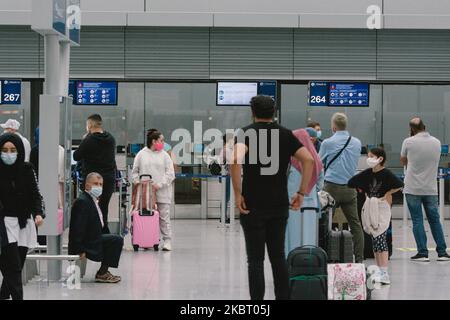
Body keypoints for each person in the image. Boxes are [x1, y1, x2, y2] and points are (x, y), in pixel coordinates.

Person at [230, 95, 315, 300]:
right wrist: (301, 193)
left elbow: (235, 159)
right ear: (274, 112)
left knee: (256, 260)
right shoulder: (286, 134)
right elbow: (309, 160)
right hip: (278, 205)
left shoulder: (245, 133)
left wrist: (238, 193)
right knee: (278, 257)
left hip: (252, 205)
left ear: (253, 112)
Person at [348, 148, 403, 284]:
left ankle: (384, 273)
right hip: (370, 206)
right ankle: (379, 271)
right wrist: (364, 190)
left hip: (382, 207)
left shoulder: (387, 173)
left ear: (380, 159)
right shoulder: (367, 173)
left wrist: (387, 193)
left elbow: (400, 185)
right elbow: (352, 182)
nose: (368, 158)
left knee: (380, 238)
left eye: (372, 156)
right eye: (368, 156)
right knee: (375, 239)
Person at [0, 133, 45, 300]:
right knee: (13, 266)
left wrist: (38, 213)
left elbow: (36, 194)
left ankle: (4, 294)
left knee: (17, 263)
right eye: (4, 150)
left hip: (24, 224)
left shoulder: (27, 169)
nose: (8, 153)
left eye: (12, 150)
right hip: (4, 225)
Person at [400, 118, 450, 262]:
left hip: (412, 187)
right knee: (435, 220)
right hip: (430, 188)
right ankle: (442, 253)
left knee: (417, 220)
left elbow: (403, 161)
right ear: (425, 126)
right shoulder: (436, 142)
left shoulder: (408, 142)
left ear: (411, 129)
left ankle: (422, 253)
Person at [319, 112, 364, 263]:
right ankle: (359, 260)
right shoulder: (356, 142)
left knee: (323, 222)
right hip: (350, 188)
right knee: (355, 224)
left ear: (333, 126)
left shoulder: (327, 143)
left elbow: (319, 164)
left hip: (331, 188)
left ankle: (324, 257)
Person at [68, 172, 123, 283]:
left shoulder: (92, 200)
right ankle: (102, 273)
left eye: (100, 184)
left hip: (92, 238)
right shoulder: (83, 201)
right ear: (87, 185)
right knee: (116, 240)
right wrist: (80, 249)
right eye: (95, 184)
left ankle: (103, 272)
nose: (99, 187)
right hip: (86, 243)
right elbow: (77, 228)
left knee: (113, 238)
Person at [131, 129, 175, 251]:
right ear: (154, 141)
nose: (163, 143)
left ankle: (167, 240)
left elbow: (170, 173)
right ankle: (148, 239)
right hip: (145, 194)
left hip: (162, 192)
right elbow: (134, 172)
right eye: (161, 140)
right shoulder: (141, 154)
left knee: (164, 217)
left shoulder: (165, 155)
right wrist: (138, 182)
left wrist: (160, 184)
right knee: (146, 216)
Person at [73, 114, 117, 234]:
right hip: (108, 180)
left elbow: (76, 156)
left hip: (92, 180)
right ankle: (104, 233)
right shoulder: (111, 139)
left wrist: (84, 140)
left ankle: (93, 234)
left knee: (90, 208)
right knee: (103, 208)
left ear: (90, 125)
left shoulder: (88, 140)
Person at [285, 128, 324, 254]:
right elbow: (320, 184)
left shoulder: (290, 160)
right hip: (311, 205)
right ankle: (309, 263)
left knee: (292, 236)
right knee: (309, 237)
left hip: (292, 205)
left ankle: (292, 262)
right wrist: (309, 193)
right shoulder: (317, 161)